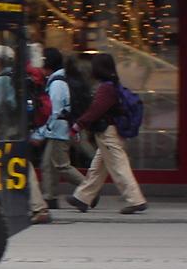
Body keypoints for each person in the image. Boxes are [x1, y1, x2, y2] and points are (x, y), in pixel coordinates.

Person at [66, 52, 148, 215]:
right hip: (110, 133)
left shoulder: (106, 88)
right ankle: (82, 198)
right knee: (97, 169)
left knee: (119, 167)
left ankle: (136, 200)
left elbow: (95, 110)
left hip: (108, 134)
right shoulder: (112, 85)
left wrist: (78, 125)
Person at [37, 47, 83, 208]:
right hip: (58, 130)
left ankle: (88, 189)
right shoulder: (59, 79)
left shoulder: (56, 83)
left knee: (61, 165)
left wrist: (42, 132)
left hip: (59, 131)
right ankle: (50, 197)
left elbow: (54, 111)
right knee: (48, 164)